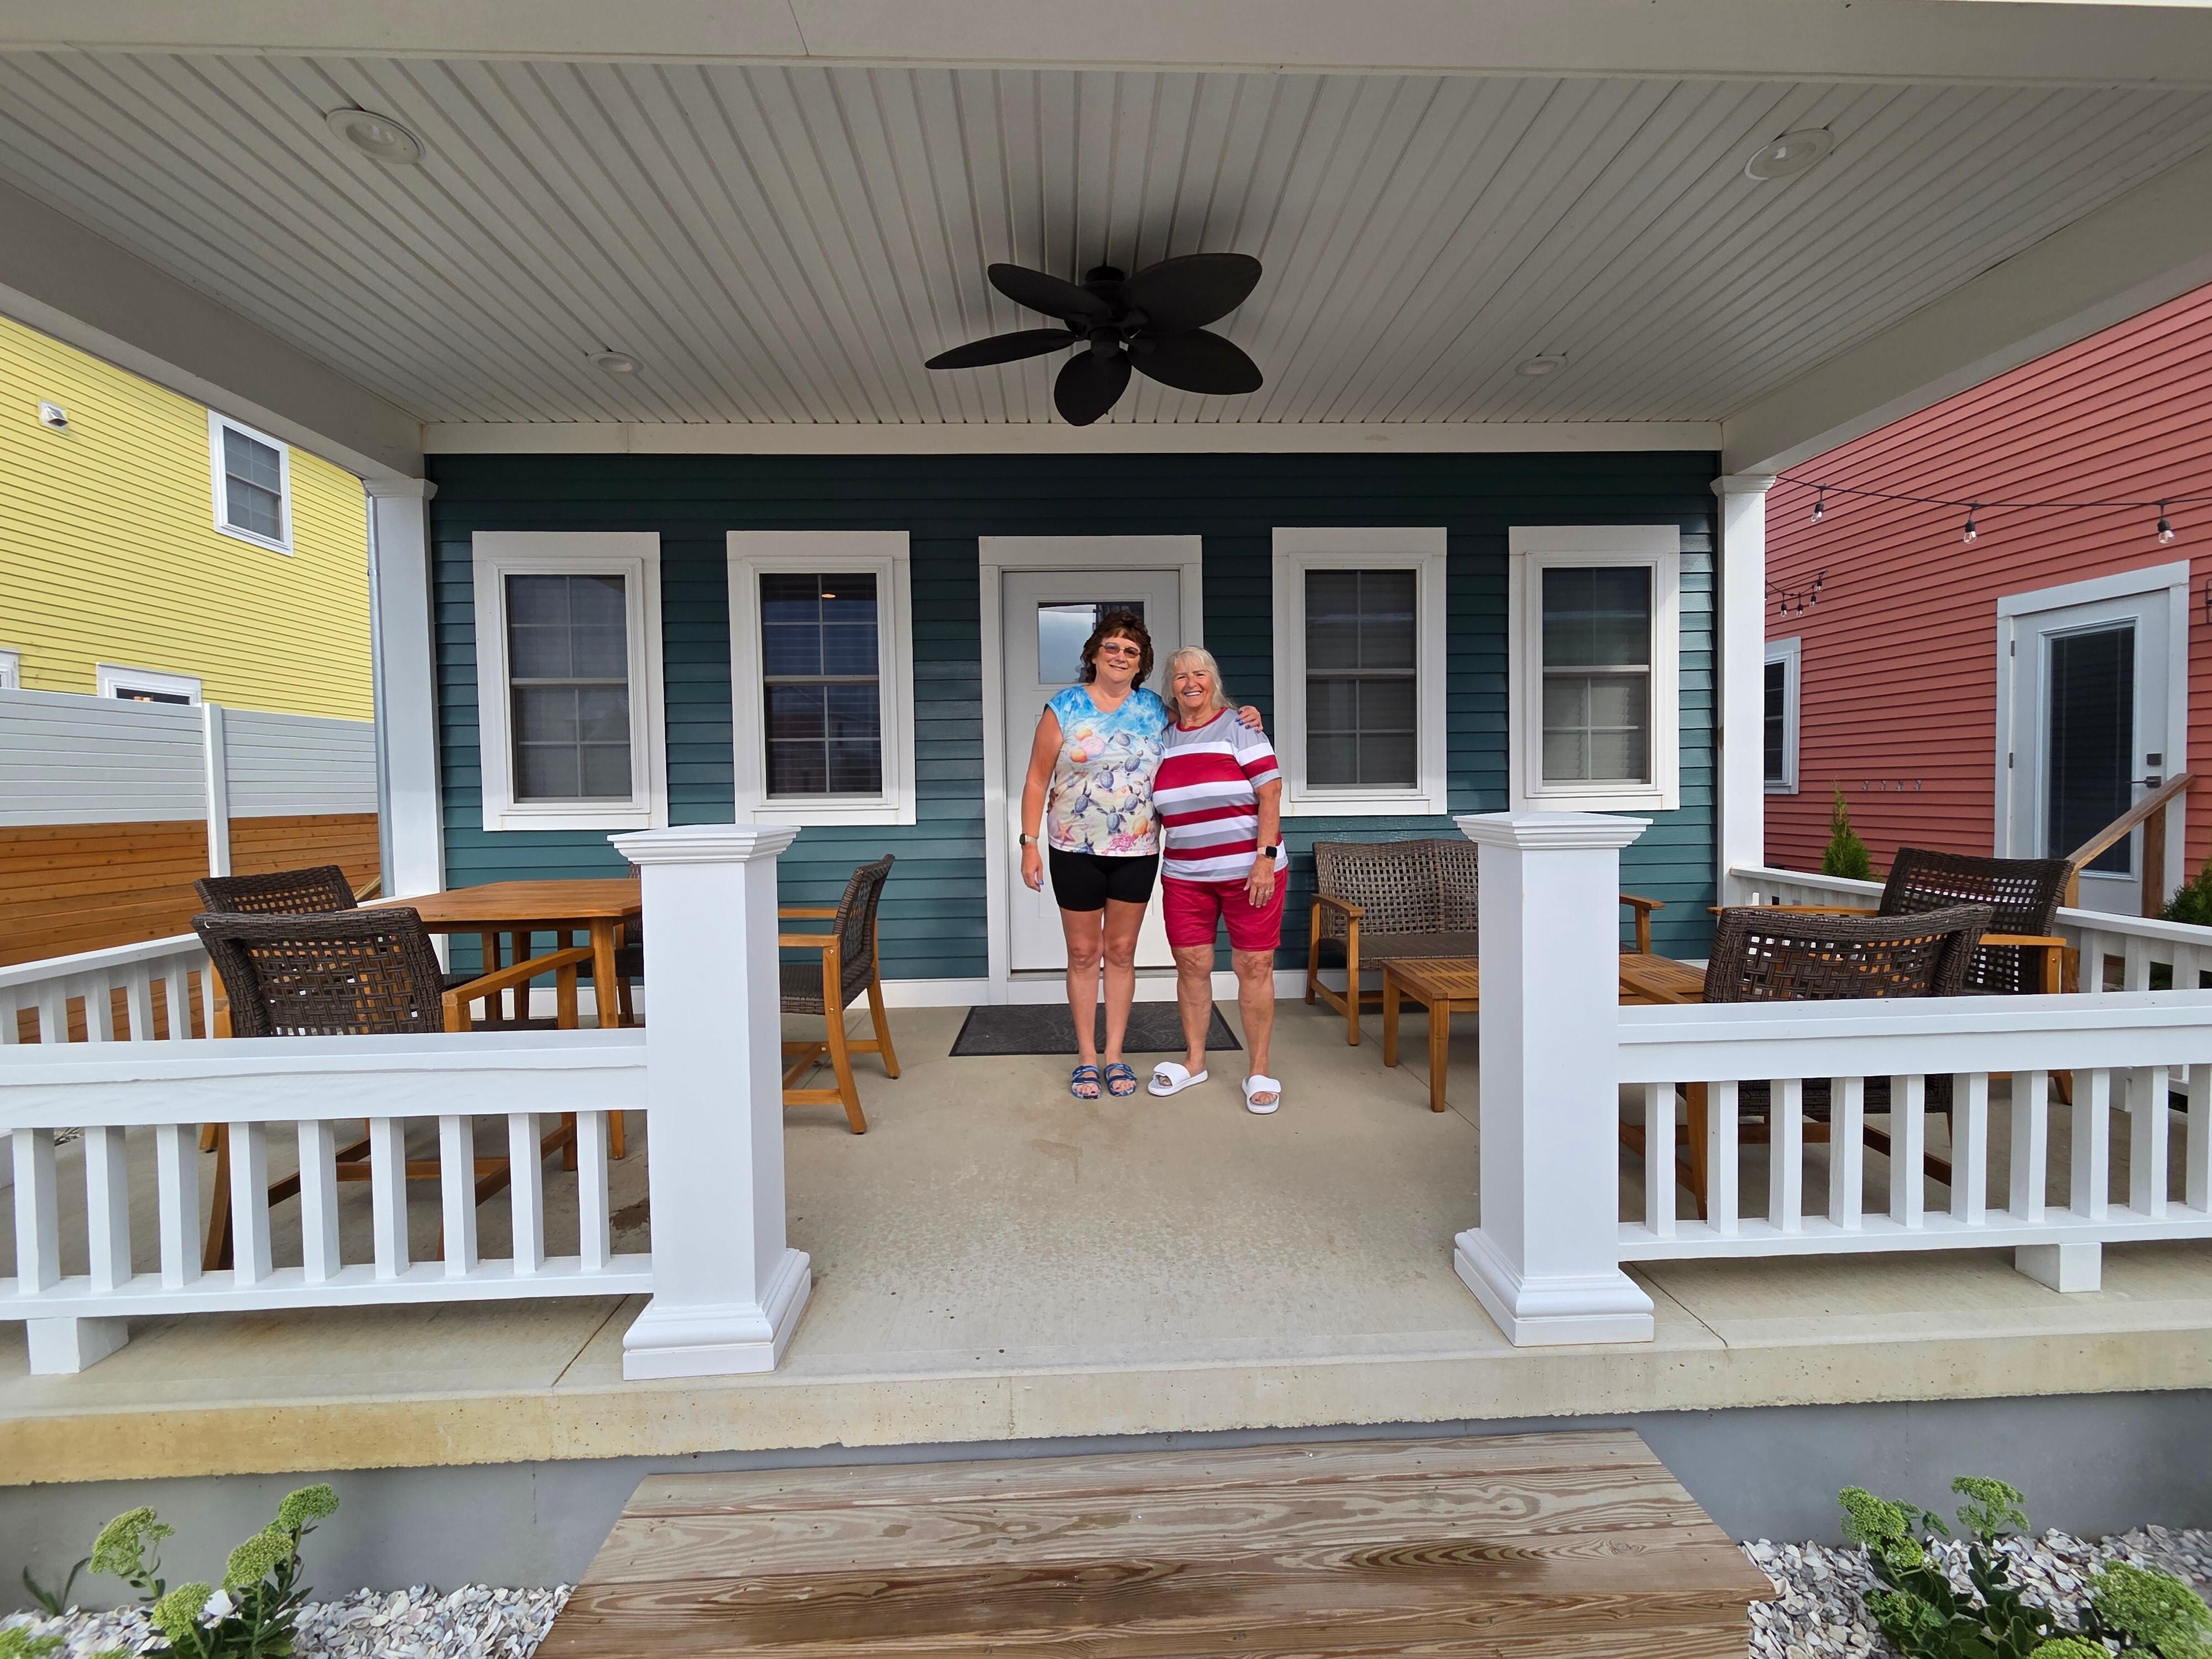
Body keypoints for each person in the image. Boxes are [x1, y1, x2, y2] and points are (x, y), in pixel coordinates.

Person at [1017, 613, 1260, 1100]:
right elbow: (1037, 779)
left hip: (1137, 851)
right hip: (1074, 850)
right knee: (1083, 954)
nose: (1120, 657)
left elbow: (1200, 719)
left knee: (1122, 952)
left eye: (1131, 651)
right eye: (1112, 647)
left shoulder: (1153, 709)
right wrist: (1028, 843)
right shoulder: (1064, 708)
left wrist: (1242, 715)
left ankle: (1114, 1055)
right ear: (1094, 653)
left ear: (1141, 662)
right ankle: (1087, 1058)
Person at [1144, 647, 1285, 1113]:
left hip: (1251, 872)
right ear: (1171, 687)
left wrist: (1264, 858)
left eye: (1199, 674)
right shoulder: (1163, 739)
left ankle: (1259, 1070)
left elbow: (1271, 792)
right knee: (1191, 964)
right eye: (1180, 676)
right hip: (1185, 875)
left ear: (1213, 680)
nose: (1190, 683)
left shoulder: (1240, 727)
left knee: (1254, 966)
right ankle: (1195, 1061)